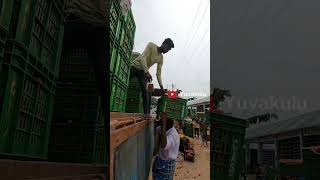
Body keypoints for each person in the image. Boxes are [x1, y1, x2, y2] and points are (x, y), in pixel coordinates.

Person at [131, 39, 174, 115]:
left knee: (146, 91)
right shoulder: (151, 45)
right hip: (135, 66)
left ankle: (147, 114)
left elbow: (158, 74)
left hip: (142, 72)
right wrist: (147, 72)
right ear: (164, 43)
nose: (167, 50)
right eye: (168, 48)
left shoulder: (161, 58)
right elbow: (143, 58)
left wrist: (161, 87)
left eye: (169, 50)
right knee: (123, 82)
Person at [153, 113, 180, 180]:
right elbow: (155, 129)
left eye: (163, 125)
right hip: (159, 160)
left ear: (167, 125)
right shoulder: (161, 128)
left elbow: (164, 145)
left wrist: (163, 123)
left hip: (167, 164)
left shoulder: (173, 135)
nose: (161, 126)